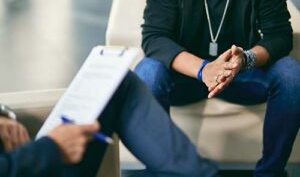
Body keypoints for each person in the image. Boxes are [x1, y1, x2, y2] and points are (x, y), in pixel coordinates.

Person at [134, 0, 300, 176]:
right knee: (147, 72)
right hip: (185, 76)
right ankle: (161, 171)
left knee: (290, 73)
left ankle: (270, 172)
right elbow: (154, 37)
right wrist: (204, 69)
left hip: (240, 74)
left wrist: (246, 59)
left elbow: (279, 36)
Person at [0, 71, 220, 177]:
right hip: (29, 164)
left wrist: (1, 115)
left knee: (117, 82)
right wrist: (51, 149)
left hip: (24, 159)